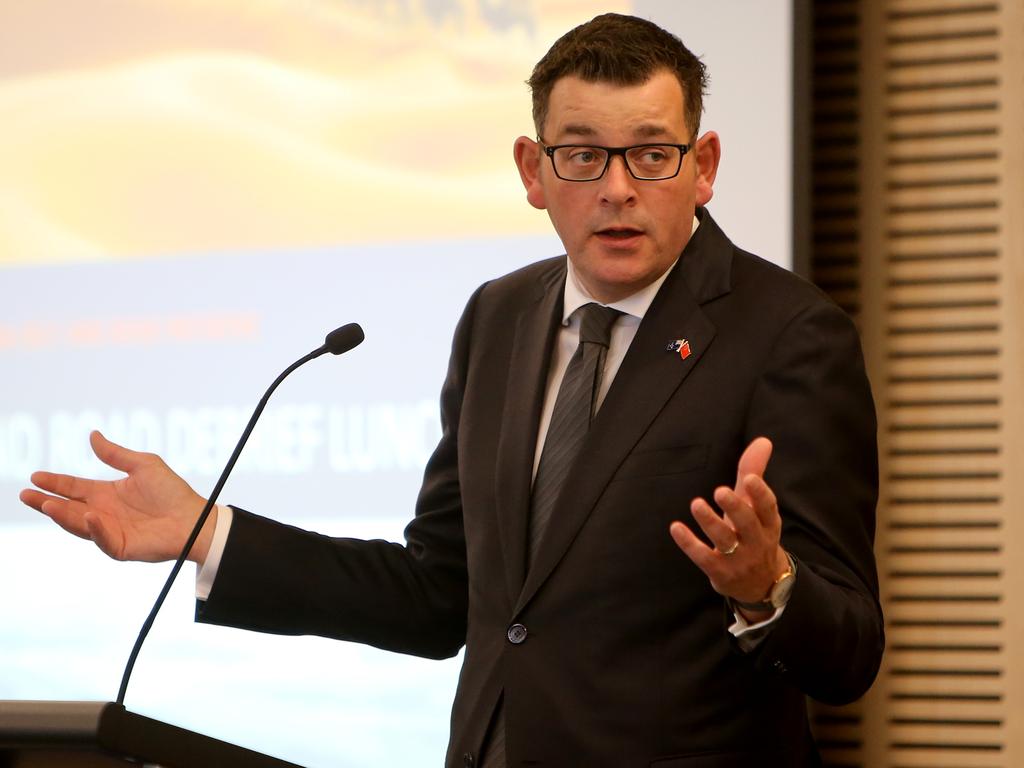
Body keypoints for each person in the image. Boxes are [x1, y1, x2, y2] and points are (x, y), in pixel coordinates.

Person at [20, 13, 883, 768]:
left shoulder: (789, 335)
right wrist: (213, 536)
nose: (618, 189)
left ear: (704, 166)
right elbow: (440, 597)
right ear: (532, 170)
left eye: (652, 154)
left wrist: (765, 587)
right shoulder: (501, 318)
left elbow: (849, 653)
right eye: (583, 154)